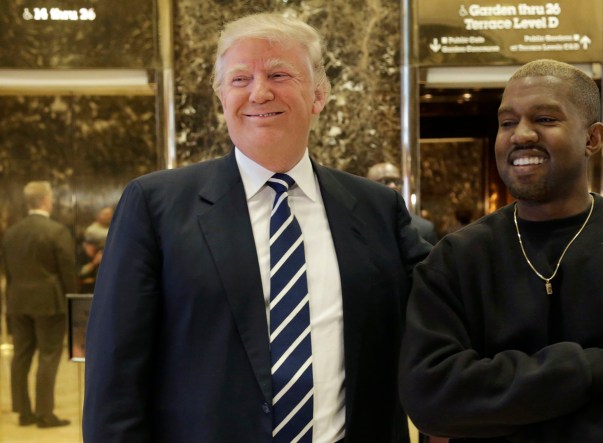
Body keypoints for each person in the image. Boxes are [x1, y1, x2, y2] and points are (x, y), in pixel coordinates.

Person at [83, 12, 430, 443]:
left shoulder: (376, 208)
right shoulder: (156, 205)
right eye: (240, 79)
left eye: (279, 74)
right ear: (221, 97)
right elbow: (114, 376)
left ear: (319, 95)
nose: (259, 92)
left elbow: (441, 315)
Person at [399, 59, 603, 442]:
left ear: (592, 138)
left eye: (544, 119)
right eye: (507, 122)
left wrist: (503, 420)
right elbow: (431, 398)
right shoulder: (455, 259)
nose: (521, 134)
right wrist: (600, 370)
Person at [1, 181, 77, 428]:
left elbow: (7, 270)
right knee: (48, 356)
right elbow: (67, 271)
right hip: (49, 302)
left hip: (18, 301)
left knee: (21, 356)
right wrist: (73, 301)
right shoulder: (57, 231)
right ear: (45, 200)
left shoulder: (11, 232)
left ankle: (24, 412)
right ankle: (45, 414)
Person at [367, 162, 439, 244]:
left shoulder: (424, 229)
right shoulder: (358, 224)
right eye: (385, 181)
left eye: (397, 181)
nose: (393, 186)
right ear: (368, 185)